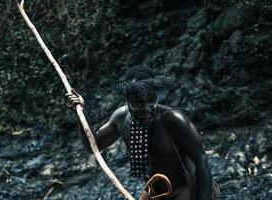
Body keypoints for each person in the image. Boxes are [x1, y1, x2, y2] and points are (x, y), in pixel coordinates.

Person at [67, 65, 218, 200]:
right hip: (155, 193)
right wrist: (81, 112)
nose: (146, 108)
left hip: (186, 190)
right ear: (128, 100)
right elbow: (92, 145)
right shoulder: (121, 118)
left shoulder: (173, 119)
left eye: (151, 100)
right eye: (138, 102)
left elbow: (201, 159)